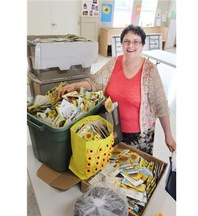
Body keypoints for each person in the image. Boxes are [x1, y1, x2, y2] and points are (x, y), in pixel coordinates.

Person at [58, 24, 176, 155]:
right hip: (112, 128)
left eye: (136, 42)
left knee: (135, 171)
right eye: (127, 41)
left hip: (139, 135)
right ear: (122, 43)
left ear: (142, 45)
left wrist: (168, 135)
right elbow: (94, 83)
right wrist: (74, 86)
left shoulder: (150, 70)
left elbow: (161, 105)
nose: (131, 45)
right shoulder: (114, 63)